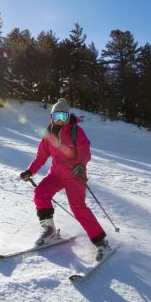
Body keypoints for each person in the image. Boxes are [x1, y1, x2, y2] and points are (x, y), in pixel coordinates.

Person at [19, 98, 110, 260]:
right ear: (51, 117)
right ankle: (49, 230)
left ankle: (101, 242)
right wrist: (30, 170)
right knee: (41, 193)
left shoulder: (76, 131)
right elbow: (41, 156)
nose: (60, 121)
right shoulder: (48, 133)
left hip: (75, 174)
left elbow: (84, 152)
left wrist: (81, 165)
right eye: (56, 117)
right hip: (56, 174)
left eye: (63, 117)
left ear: (68, 117)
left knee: (78, 207)